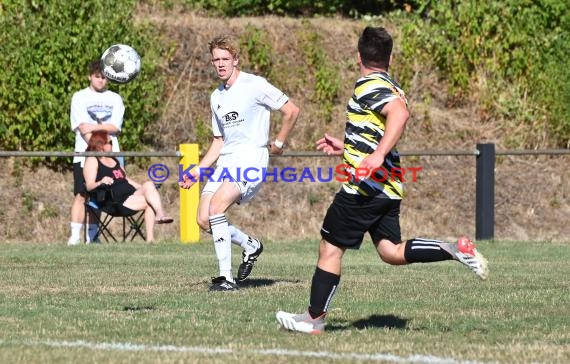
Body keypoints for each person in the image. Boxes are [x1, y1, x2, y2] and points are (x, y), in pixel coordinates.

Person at [276, 26, 489, 334]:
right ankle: (453, 249)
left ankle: (313, 320)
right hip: (387, 186)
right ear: (390, 57)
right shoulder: (391, 84)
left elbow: (399, 115)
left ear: (359, 55)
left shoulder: (367, 84)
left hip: (364, 188)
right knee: (390, 251)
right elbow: (381, 125)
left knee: (330, 248)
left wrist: (375, 157)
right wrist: (347, 148)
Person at [179, 34, 300, 291]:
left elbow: (292, 110)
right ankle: (250, 245)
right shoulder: (216, 97)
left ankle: (226, 278)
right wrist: (198, 170)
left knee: (216, 208)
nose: (221, 64)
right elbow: (219, 142)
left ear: (236, 59)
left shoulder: (254, 85)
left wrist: (278, 142)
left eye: (225, 58)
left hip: (251, 160)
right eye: (216, 60)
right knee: (203, 219)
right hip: (226, 161)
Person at [67, 59, 125, 245]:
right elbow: (82, 129)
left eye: (104, 78)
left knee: (100, 195)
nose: (101, 81)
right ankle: (75, 237)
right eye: (97, 77)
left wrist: (95, 127)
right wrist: (99, 138)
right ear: (90, 77)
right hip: (84, 155)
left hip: (110, 156)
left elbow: (115, 127)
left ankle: (92, 237)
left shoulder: (115, 98)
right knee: (81, 193)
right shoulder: (79, 97)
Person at [83, 130, 173, 242]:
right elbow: (89, 186)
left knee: (149, 185)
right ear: (100, 145)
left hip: (129, 194)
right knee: (149, 202)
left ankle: (160, 214)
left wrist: (146, 189)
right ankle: (150, 239)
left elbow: (126, 179)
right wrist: (101, 181)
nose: (112, 145)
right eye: (110, 143)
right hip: (114, 201)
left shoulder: (113, 159)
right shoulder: (92, 160)